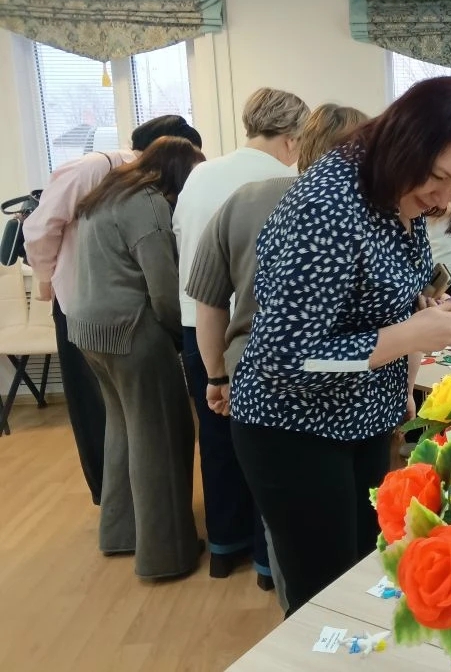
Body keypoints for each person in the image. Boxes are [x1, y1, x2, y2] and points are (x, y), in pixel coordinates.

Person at [229, 76, 451, 615]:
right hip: (296, 429)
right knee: (325, 599)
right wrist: (407, 336)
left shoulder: (397, 198)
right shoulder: (328, 205)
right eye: (437, 177)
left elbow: (386, 299)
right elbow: (286, 357)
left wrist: (416, 325)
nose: (443, 198)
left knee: (364, 578)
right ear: (404, 142)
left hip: (361, 418)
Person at [186, 103, 367, 611]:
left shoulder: (245, 199)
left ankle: (281, 588)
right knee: (339, 529)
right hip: (347, 384)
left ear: (301, 147)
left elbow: (208, 300)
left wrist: (216, 375)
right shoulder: (366, 212)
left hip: (255, 377)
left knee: (283, 514)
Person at [22, 115, 202, 505]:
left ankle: (121, 514)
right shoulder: (99, 171)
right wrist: (46, 283)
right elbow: (38, 228)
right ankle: (117, 502)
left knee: (120, 424)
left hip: (98, 308)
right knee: (106, 417)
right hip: (81, 302)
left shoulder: (128, 184)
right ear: (166, 150)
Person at [174, 87, 309, 585]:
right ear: (293, 138)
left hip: (195, 323)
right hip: (250, 333)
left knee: (216, 443)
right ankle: (266, 563)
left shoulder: (200, 173)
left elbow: (183, 241)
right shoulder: (286, 183)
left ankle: (223, 547)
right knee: (265, 451)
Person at [65, 136, 205, 580]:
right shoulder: (148, 205)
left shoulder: (108, 193)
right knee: (162, 437)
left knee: (123, 431)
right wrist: (185, 336)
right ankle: (167, 554)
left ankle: (120, 533)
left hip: (88, 331)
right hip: (132, 331)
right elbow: (164, 292)